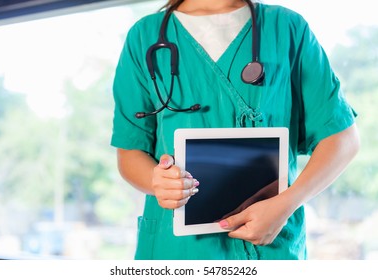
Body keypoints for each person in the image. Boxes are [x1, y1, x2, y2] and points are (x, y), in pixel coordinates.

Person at [110, 0, 360, 259]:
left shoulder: (287, 28)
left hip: (270, 245)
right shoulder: (144, 36)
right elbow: (130, 152)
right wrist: (157, 181)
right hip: (178, 250)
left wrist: (286, 204)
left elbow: (343, 138)